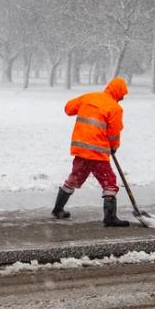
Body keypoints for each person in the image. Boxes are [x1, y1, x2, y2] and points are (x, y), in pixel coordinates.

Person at [51, 77, 132, 227]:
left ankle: (58, 209)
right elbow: (114, 134)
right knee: (109, 183)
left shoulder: (89, 97)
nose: (122, 98)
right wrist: (114, 146)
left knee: (74, 179)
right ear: (118, 92)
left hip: (81, 149)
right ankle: (110, 218)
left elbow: (69, 109)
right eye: (123, 94)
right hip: (97, 153)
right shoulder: (115, 108)